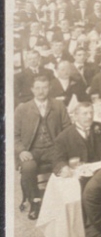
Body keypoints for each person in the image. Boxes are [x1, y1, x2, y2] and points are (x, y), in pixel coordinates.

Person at [14, 73, 72, 217]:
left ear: (49, 88)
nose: (41, 91)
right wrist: (21, 151)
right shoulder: (22, 109)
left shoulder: (58, 105)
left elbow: (67, 129)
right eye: (38, 88)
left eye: (44, 88)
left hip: (54, 149)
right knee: (28, 167)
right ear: (32, 90)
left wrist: (63, 149)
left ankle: (63, 201)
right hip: (32, 150)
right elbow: (14, 135)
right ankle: (35, 201)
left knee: (63, 166)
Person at [52, 100, 101, 176]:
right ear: (75, 117)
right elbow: (57, 161)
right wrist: (63, 168)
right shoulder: (64, 137)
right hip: (79, 175)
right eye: (85, 114)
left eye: (91, 113)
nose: (89, 116)